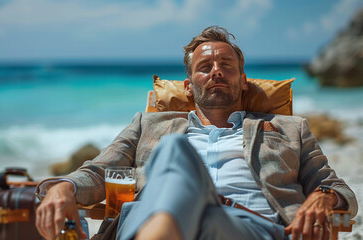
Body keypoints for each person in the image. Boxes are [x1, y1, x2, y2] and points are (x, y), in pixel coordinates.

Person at [35, 26, 357, 240]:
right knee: (175, 148)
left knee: (208, 218)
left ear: (243, 80)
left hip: (247, 226)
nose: (216, 70)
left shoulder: (290, 129)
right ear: (189, 87)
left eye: (226, 65)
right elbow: (99, 171)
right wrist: (63, 186)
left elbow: (337, 188)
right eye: (205, 67)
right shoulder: (149, 125)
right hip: (146, 220)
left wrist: (323, 197)